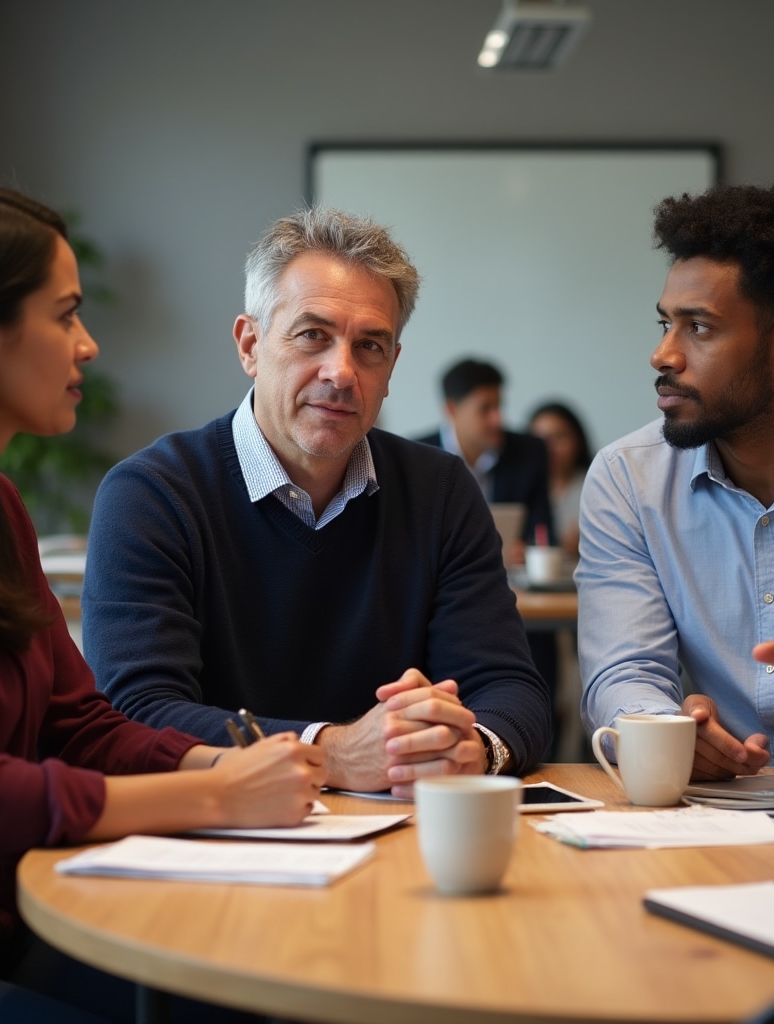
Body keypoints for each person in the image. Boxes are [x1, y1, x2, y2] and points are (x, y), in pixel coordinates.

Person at [0, 183, 324, 1024]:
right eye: (66, 315)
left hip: (14, 925)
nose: (88, 344)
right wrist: (217, 798)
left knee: (258, 997)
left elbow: (77, 726)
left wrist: (220, 765)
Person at [83, 209, 552, 796]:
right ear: (250, 345)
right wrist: (330, 752)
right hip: (220, 834)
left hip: (404, 830)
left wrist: (469, 748)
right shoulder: (152, 494)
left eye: (370, 346)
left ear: (391, 368)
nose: (342, 372)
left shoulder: (441, 491)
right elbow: (137, 712)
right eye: (313, 336)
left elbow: (512, 689)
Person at [577, 182, 774, 781]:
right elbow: (623, 672)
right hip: (718, 810)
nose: (663, 355)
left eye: (699, 328)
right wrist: (663, 730)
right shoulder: (628, 478)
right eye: (665, 323)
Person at [417, 358, 553, 560]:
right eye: (485, 409)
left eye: (499, 406)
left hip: (512, 574)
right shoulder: (418, 457)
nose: (497, 419)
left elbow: (543, 532)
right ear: (452, 409)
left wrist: (527, 549)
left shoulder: (529, 452)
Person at [528, 400, 593, 562]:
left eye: (559, 437)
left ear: (578, 440)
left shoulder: (596, 485)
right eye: (540, 440)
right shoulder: (522, 489)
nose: (549, 448)